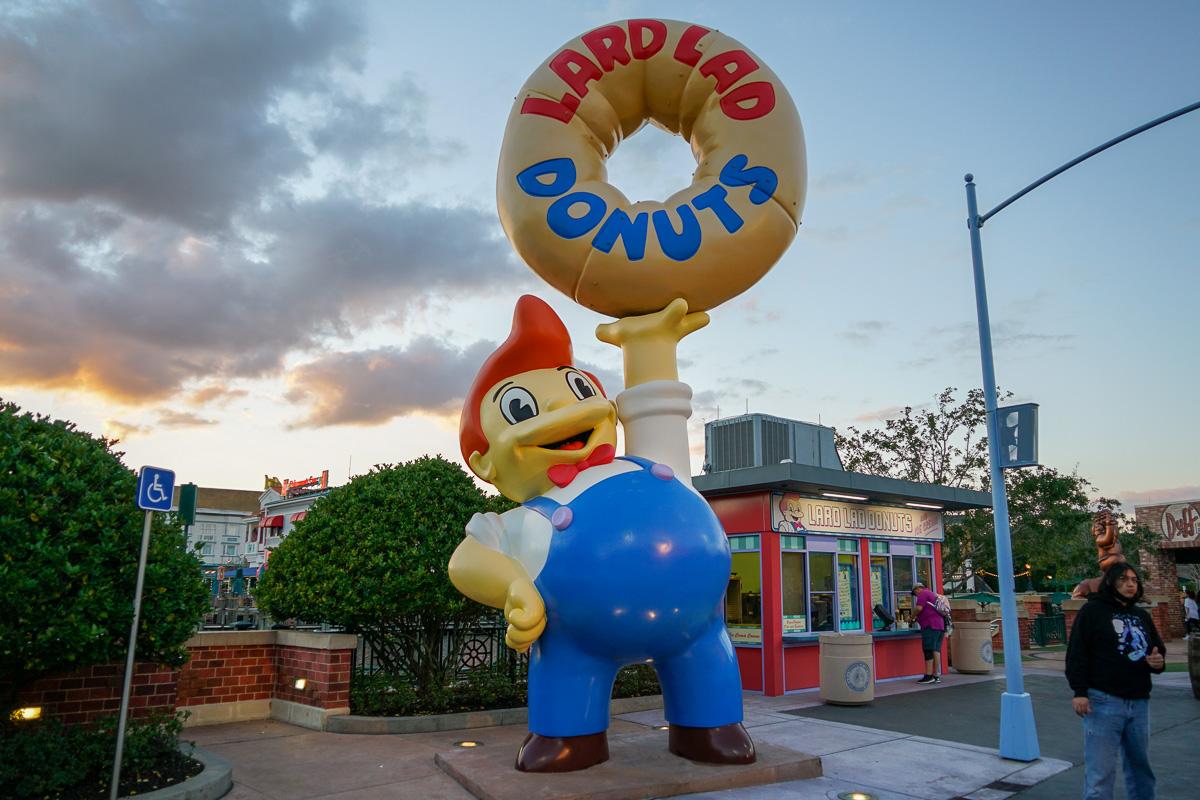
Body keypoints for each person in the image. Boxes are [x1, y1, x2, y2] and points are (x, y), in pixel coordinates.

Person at [1066, 562, 1166, 800]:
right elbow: (1077, 653)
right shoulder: (1092, 612)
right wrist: (1080, 691)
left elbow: (1156, 649)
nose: (1130, 584)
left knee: (1141, 769)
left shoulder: (1140, 615)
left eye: (1133, 580)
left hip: (1139, 702)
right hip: (1103, 700)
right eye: (1123, 580)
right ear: (1110, 583)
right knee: (1101, 772)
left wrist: (1157, 661)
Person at [911, 582, 946, 684]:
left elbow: (918, 608)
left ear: (917, 589)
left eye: (914, 593)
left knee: (928, 650)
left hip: (930, 626)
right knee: (936, 650)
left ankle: (928, 676)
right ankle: (936, 675)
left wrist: (911, 617)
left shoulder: (923, 593)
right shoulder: (932, 594)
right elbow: (928, 611)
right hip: (940, 626)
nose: (916, 595)